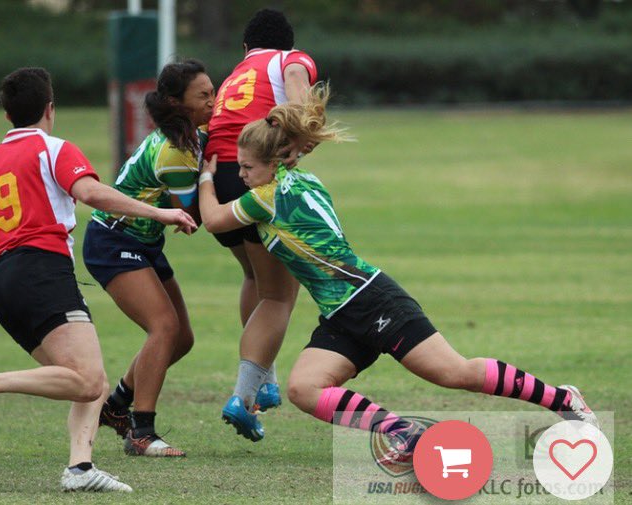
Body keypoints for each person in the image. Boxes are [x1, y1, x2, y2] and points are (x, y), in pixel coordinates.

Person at [197, 83, 598, 455]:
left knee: (455, 373)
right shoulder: (300, 180)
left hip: (372, 300)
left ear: (272, 163)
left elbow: (213, 220)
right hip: (341, 313)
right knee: (305, 388)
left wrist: (207, 177)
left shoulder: (267, 197)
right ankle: (403, 432)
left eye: (246, 168)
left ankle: (564, 399)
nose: (242, 176)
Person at [0, 67, 197, 492]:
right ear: (50, 108)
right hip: (42, 272)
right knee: (89, 381)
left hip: (3, 280)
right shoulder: (54, 149)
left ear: (8, 115)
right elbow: (89, 193)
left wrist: (12, 244)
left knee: (87, 380)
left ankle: (80, 469)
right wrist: (160, 212)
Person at [83, 60, 213, 457]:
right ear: (177, 103)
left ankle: (117, 405)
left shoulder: (189, 136)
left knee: (181, 338)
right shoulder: (175, 151)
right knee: (164, 327)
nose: (214, 100)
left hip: (143, 243)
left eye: (214, 91)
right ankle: (141, 434)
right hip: (113, 240)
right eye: (203, 96)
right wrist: (214, 175)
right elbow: (191, 214)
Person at [205, 8, 319, 441]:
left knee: (254, 276)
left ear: (245, 47)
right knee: (280, 296)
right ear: (287, 43)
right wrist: (297, 141)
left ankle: (266, 382)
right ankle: (243, 397)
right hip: (255, 171)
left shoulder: (237, 72)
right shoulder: (292, 58)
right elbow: (296, 97)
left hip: (218, 176)